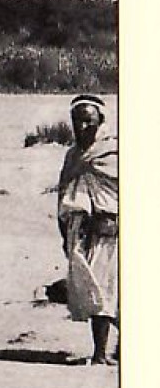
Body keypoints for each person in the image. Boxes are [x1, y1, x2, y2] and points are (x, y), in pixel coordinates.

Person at [57, 94, 118, 364]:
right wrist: (67, 231)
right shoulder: (73, 156)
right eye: (77, 121)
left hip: (117, 232)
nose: (82, 127)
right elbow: (64, 194)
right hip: (89, 234)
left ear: (100, 121)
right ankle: (100, 352)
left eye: (88, 121)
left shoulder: (115, 152)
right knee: (97, 292)